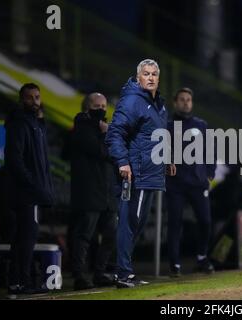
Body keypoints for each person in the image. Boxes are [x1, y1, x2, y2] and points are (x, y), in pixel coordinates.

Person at [106, 59, 175, 288]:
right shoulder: (133, 101)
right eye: (146, 74)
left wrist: (167, 159)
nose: (151, 77)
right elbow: (115, 133)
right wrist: (123, 162)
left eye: (154, 74)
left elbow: (157, 136)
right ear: (138, 77)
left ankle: (123, 270)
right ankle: (122, 273)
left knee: (137, 224)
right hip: (135, 173)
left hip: (150, 173)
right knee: (129, 222)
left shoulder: (158, 104)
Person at [4, 83, 54, 295]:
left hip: (31, 191)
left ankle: (17, 281)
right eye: (29, 98)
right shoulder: (20, 124)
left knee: (23, 238)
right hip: (27, 193)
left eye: (37, 97)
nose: (34, 101)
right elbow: (14, 159)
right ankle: (22, 281)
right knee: (26, 239)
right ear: (21, 100)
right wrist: (32, 184)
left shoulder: (35, 124)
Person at [165, 88, 216, 277]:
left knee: (205, 221)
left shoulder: (201, 125)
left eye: (189, 100)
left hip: (197, 183)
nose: (186, 102)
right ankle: (174, 264)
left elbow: (211, 150)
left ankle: (202, 257)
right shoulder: (166, 126)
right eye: (182, 99)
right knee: (174, 224)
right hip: (175, 185)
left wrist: (210, 173)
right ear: (175, 102)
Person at [70, 93, 118, 290]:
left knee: (111, 234)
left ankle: (100, 272)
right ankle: (79, 275)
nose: (101, 108)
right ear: (86, 108)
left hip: (107, 192)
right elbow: (102, 151)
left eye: (104, 105)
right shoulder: (81, 128)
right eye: (96, 105)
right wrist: (107, 135)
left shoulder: (103, 128)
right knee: (84, 235)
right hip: (89, 192)